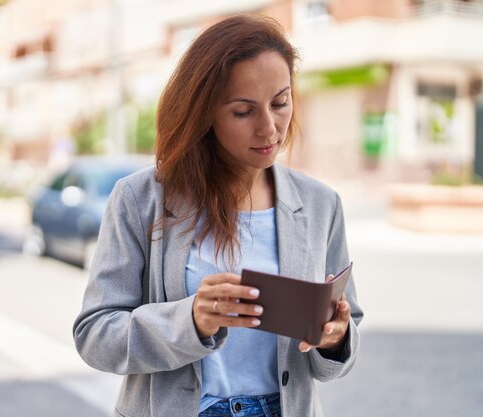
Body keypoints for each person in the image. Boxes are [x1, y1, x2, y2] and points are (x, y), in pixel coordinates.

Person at [73, 14, 363, 417]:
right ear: (204, 113)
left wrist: (336, 337)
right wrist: (189, 320)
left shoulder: (320, 203)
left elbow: (344, 335)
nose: (269, 129)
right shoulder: (140, 198)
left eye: (280, 102)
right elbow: (95, 336)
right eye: (243, 111)